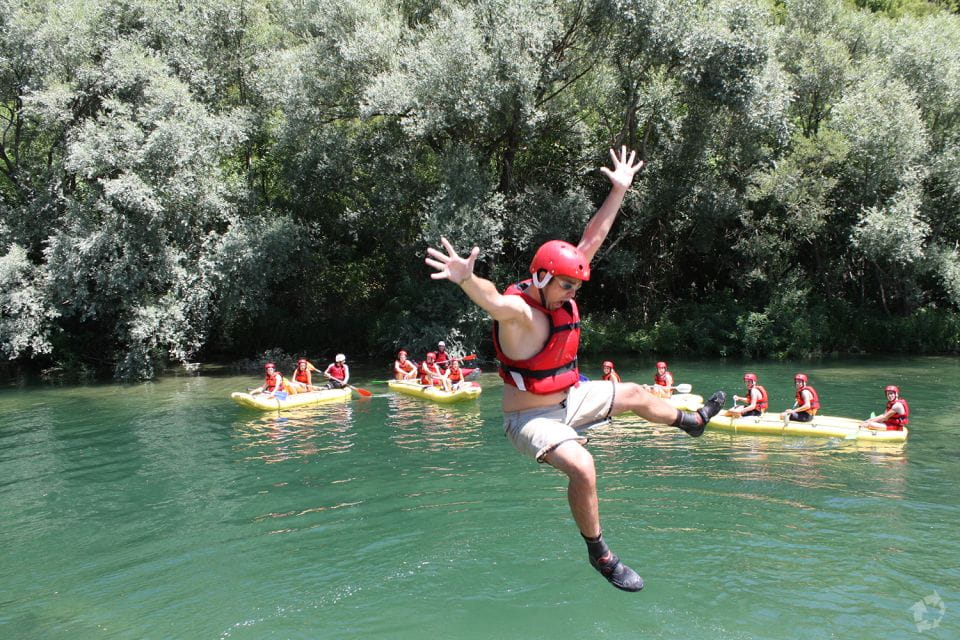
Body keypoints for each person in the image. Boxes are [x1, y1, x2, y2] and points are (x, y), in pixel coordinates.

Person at [425, 145, 726, 593]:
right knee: (584, 467)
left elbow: (591, 240)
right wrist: (467, 278)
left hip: (570, 397)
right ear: (542, 278)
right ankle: (599, 553)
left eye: (575, 285)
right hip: (530, 419)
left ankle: (692, 422)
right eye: (565, 285)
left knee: (640, 394)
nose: (571, 293)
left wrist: (619, 190)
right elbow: (492, 299)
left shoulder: (558, 286)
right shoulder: (520, 315)